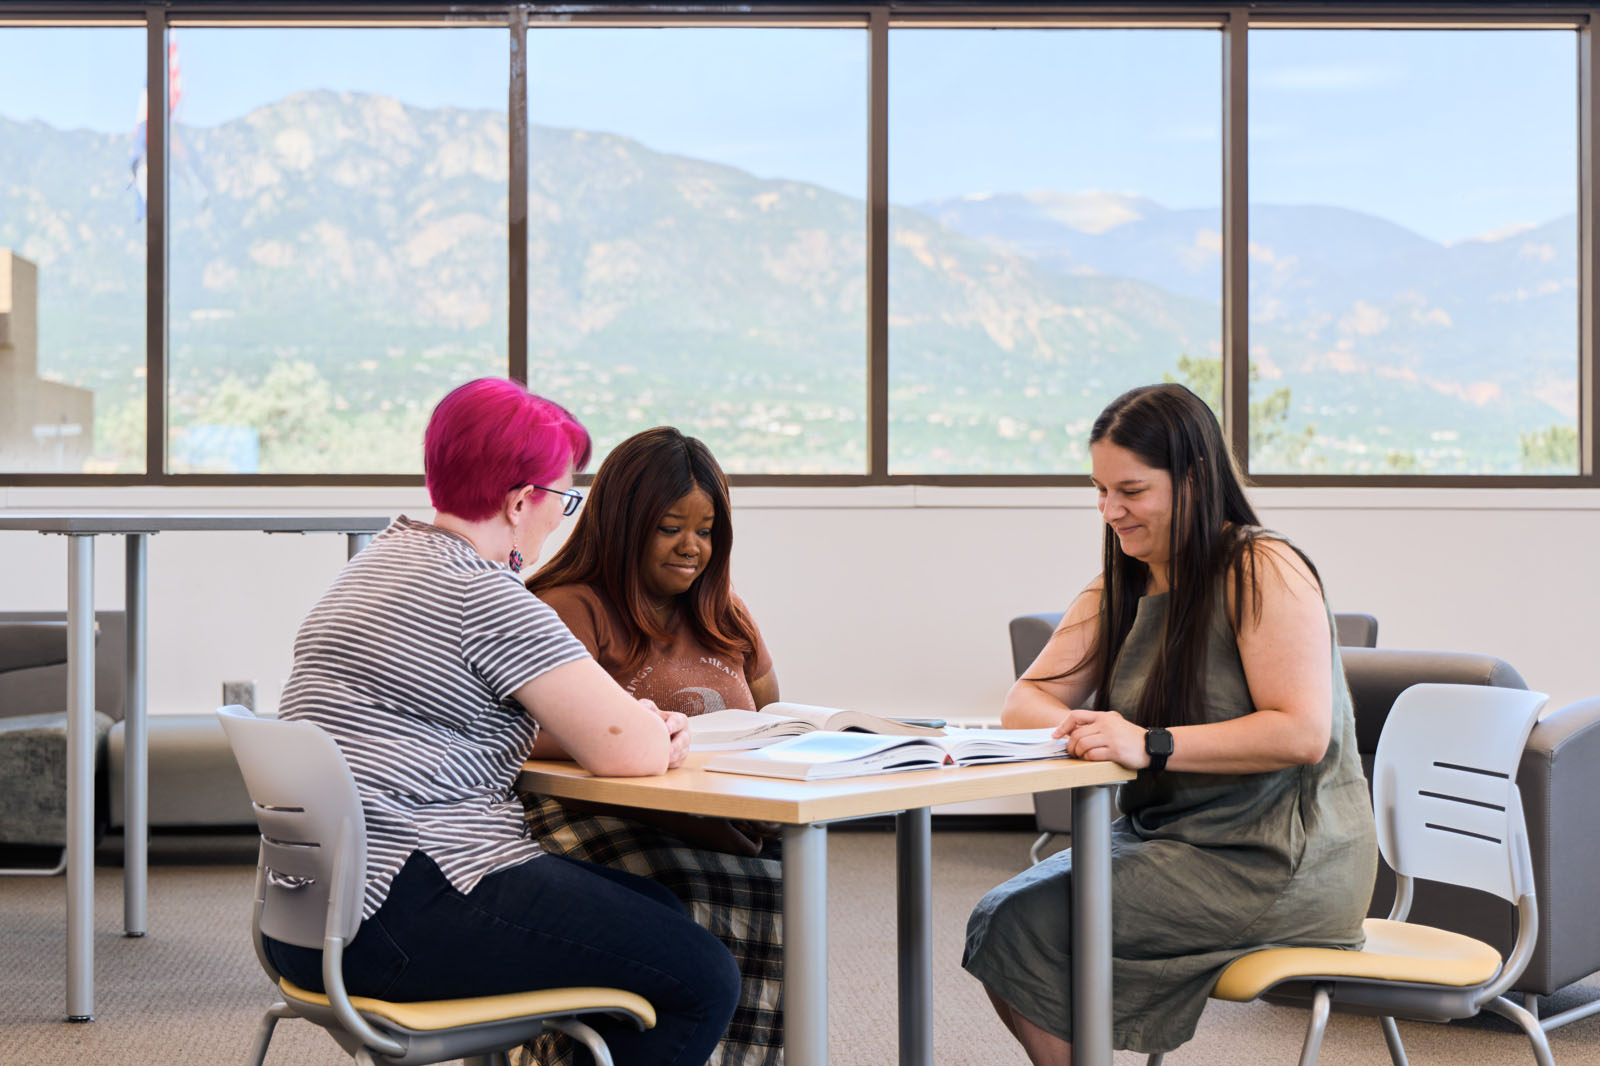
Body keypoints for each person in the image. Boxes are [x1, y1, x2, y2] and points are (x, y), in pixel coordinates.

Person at [262, 380, 740, 1066]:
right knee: (700, 978)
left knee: (657, 913)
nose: (559, 521)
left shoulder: (373, 564)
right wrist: (647, 725)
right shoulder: (482, 596)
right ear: (522, 501)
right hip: (401, 912)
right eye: (563, 499)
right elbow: (630, 752)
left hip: (309, 921)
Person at [963, 383, 1378, 1062]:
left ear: (1194, 478)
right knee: (1002, 918)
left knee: (1024, 922)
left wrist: (1145, 743)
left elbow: (1301, 733)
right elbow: (1026, 700)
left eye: (1130, 490)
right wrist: (1081, 727)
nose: (1110, 511)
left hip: (1277, 860)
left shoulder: (1261, 567)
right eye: (1099, 491)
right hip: (1171, 840)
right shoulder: (1121, 582)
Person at [522, 426, 783, 1066]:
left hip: (717, 816)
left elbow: (777, 718)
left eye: (707, 529)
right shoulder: (568, 605)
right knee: (702, 891)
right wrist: (630, 741)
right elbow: (528, 733)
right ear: (624, 521)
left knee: (787, 885)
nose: (692, 547)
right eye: (671, 527)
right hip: (591, 815)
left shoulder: (727, 615)